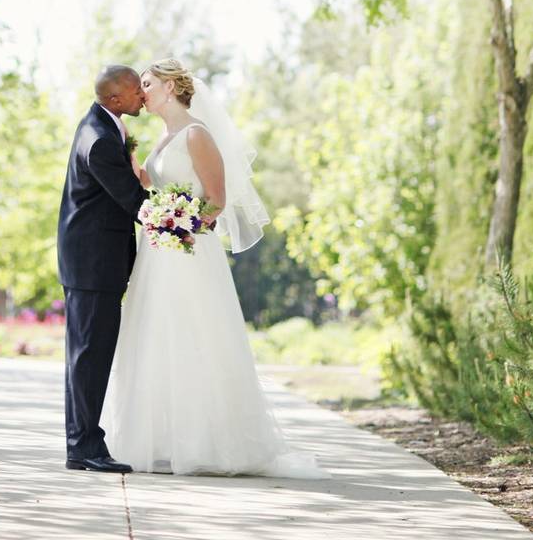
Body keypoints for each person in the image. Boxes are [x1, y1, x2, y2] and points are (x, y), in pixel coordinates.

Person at [100, 58, 332, 479]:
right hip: (158, 253)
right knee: (157, 337)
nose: (142, 91)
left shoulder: (196, 134)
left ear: (171, 87)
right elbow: (158, 186)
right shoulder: (164, 137)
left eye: (148, 83)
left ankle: (209, 443)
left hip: (187, 252)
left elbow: (217, 200)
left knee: (194, 337)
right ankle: (163, 441)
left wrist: (177, 222)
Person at [56, 65, 149, 473]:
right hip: (93, 265)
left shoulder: (104, 127)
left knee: (87, 355)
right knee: (89, 357)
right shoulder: (99, 140)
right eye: (134, 92)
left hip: (93, 262)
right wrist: (187, 217)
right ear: (114, 100)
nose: (142, 96)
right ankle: (85, 447)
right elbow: (134, 200)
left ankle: (82, 445)